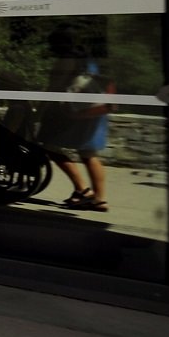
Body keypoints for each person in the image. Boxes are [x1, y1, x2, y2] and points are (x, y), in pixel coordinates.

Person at [43, 27, 112, 212]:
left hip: (72, 111)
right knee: (89, 153)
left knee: (50, 146)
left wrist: (42, 106)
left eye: (53, 43)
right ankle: (100, 199)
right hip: (93, 111)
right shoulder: (88, 59)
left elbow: (55, 88)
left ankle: (82, 189)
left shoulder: (66, 59)